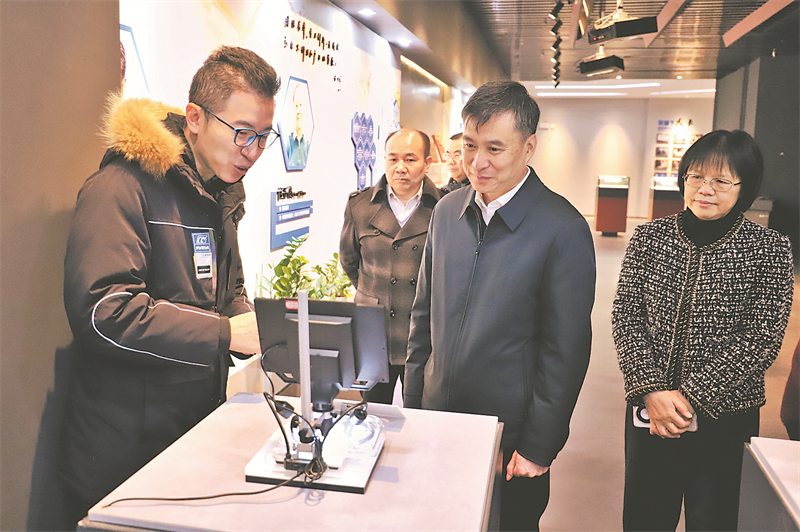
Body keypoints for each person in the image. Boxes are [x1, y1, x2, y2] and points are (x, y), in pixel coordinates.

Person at [59, 46, 281, 522]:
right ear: (195, 118)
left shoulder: (219, 194)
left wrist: (257, 324)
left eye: (264, 136)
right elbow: (103, 312)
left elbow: (227, 292)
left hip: (188, 437)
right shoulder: (122, 186)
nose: (254, 150)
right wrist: (225, 333)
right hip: (122, 454)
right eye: (243, 132)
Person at [404, 80, 596, 531]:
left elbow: (565, 351)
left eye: (495, 148)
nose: (478, 162)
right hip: (437, 421)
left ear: (528, 147)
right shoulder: (446, 213)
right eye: (470, 145)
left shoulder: (562, 228)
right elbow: (422, 318)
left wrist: (539, 445)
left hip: (508, 438)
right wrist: (413, 409)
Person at [613, 130, 794, 531]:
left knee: (714, 519)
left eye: (721, 180)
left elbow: (761, 338)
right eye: (695, 177)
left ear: (744, 187)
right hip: (650, 413)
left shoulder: (768, 249)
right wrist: (651, 389)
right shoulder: (649, 238)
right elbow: (627, 315)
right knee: (644, 517)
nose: (705, 189)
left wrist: (688, 399)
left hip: (724, 417)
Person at [340, 128, 441, 404]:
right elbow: (349, 260)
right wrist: (376, 291)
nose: (400, 167)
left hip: (423, 334)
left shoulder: (443, 207)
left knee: (421, 412)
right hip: (373, 331)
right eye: (393, 159)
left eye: (410, 159)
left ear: (427, 163)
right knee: (371, 411)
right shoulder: (360, 205)